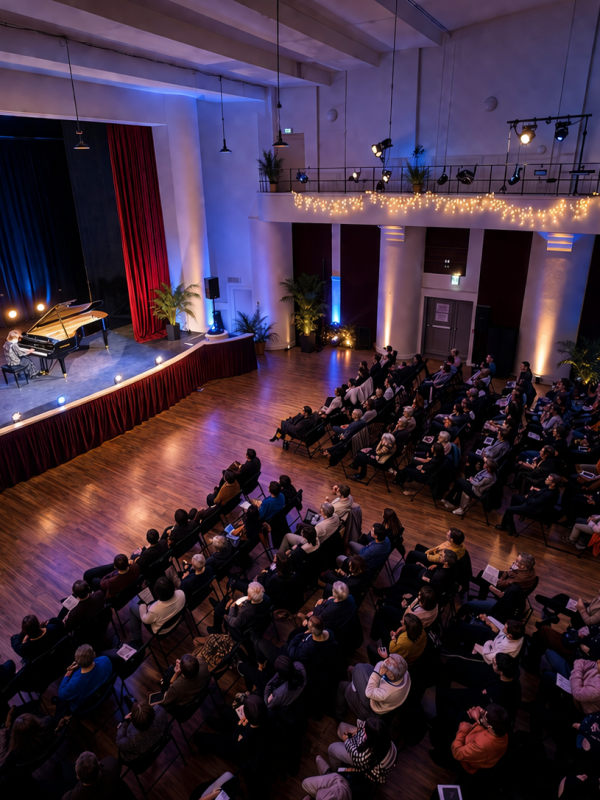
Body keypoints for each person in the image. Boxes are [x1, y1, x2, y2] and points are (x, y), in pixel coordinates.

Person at [432, 704, 509, 774]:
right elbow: (485, 724)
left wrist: (462, 731)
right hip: (471, 736)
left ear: (490, 727)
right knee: (449, 714)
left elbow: (457, 753)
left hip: (465, 762)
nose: (481, 712)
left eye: (483, 716)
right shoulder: (501, 730)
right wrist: (478, 715)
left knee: (441, 734)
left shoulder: (482, 745)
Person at [334, 653, 410, 721]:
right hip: (379, 695)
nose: (383, 663)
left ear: (391, 676)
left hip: (370, 707)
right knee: (357, 668)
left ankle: (339, 716)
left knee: (342, 685)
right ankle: (353, 684)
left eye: (385, 666)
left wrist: (378, 673)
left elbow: (369, 692)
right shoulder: (404, 673)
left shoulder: (386, 693)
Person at [323, 717, 397, 785]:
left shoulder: (365, 757)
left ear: (370, 738)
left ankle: (334, 771)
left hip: (368, 766)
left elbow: (353, 752)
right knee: (341, 726)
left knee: (331, 749)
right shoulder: (387, 740)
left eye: (365, 730)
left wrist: (347, 739)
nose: (362, 729)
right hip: (374, 759)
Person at [495, 473, 561, 536]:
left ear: (553, 484)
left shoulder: (549, 494)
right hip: (533, 504)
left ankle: (511, 529)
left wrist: (529, 495)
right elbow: (541, 494)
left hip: (533, 509)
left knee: (508, 510)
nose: (546, 479)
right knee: (515, 497)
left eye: (548, 479)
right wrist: (535, 491)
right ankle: (508, 519)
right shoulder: (553, 489)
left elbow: (536, 502)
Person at [128, 576, 185, 648]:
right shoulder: (181, 593)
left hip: (162, 632)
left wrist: (143, 605)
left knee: (131, 605)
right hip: (177, 620)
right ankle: (136, 640)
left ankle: (136, 640)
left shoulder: (154, 609)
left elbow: (144, 619)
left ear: (157, 593)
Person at [57, 645, 112, 713]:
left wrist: (68, 672)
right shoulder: (105, 660)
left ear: (77, 662)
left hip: (83, 706)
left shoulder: (76, 682)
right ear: (94, 654)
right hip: (102, 695)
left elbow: (61, 695)